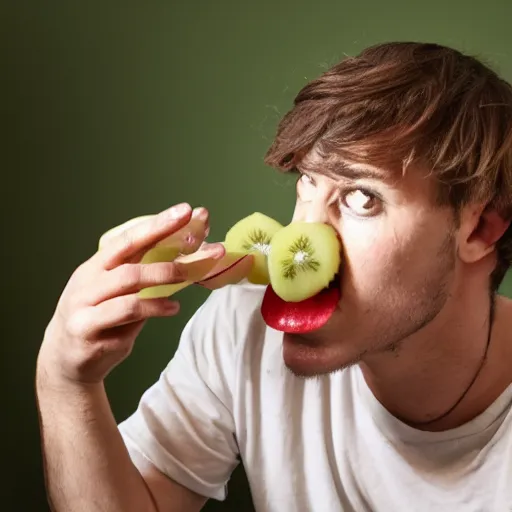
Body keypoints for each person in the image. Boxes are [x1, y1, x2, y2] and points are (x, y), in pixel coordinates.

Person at [35, 41, 512, 512]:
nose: (299, 235)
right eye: (307, 180)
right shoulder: (242, 329)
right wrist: (64, 383)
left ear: (481, 226)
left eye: (362, 198)